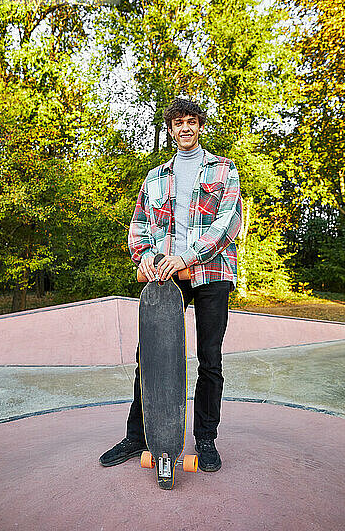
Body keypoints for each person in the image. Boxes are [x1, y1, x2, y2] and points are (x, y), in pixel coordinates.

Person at [99, 97, 242, 472]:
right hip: (164, 276)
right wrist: (143, 255)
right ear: (171, 129)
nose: (185, 128)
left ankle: (206, 439)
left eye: (191, 121)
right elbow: (139, 224)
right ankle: (138, 435)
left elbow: (227, 224)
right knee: (149, 357)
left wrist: (188, 257)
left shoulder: (224, 169)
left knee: (210, 360)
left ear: (201, 126)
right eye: (178, 123)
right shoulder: (155, 177)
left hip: (210, 273)